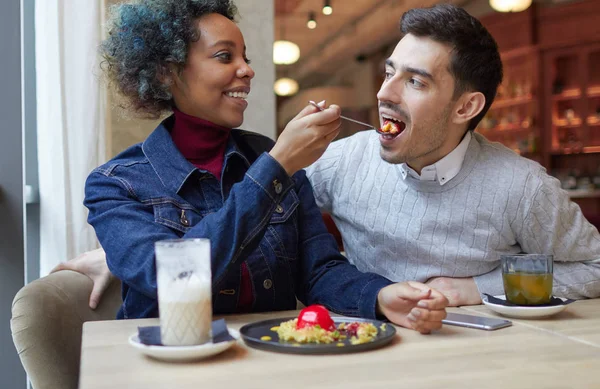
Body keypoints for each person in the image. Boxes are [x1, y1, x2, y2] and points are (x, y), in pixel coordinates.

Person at [73, 0, 448, 333]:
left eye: (245, 58)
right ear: (166, 74)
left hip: (270, 359)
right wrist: (277, 165)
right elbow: (169, 278)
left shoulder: (268, 156)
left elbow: (319, 272)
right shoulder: (116, 183)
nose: (247, 70)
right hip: (170, 368)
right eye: (225, 57)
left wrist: (380, 296)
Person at [305, 4, 600, 305]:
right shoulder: (342, 160)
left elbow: (595, 267)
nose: (384, 93)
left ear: (466, 107)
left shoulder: (523, 186)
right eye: (389, 73)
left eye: (415, 82)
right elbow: (263, 223)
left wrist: (475, 287)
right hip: (367, 342)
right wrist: (283, 155)